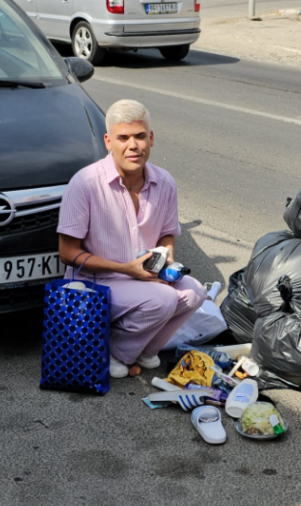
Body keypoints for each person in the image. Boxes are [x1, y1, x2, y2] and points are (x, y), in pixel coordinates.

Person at [57, 99, 207, 379]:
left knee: (195, 291)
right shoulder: (85, 182)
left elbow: (167, 232)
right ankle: (117, 352)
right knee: (162, 300)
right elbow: (67, 252)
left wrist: (167, 255)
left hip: (145, 276)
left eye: (139, 136)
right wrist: (125, 269)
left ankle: (146, 351)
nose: (133, 145)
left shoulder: (164, 182)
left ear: (151, 138)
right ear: (108, 141)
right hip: (97, 281)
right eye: (123, 138)